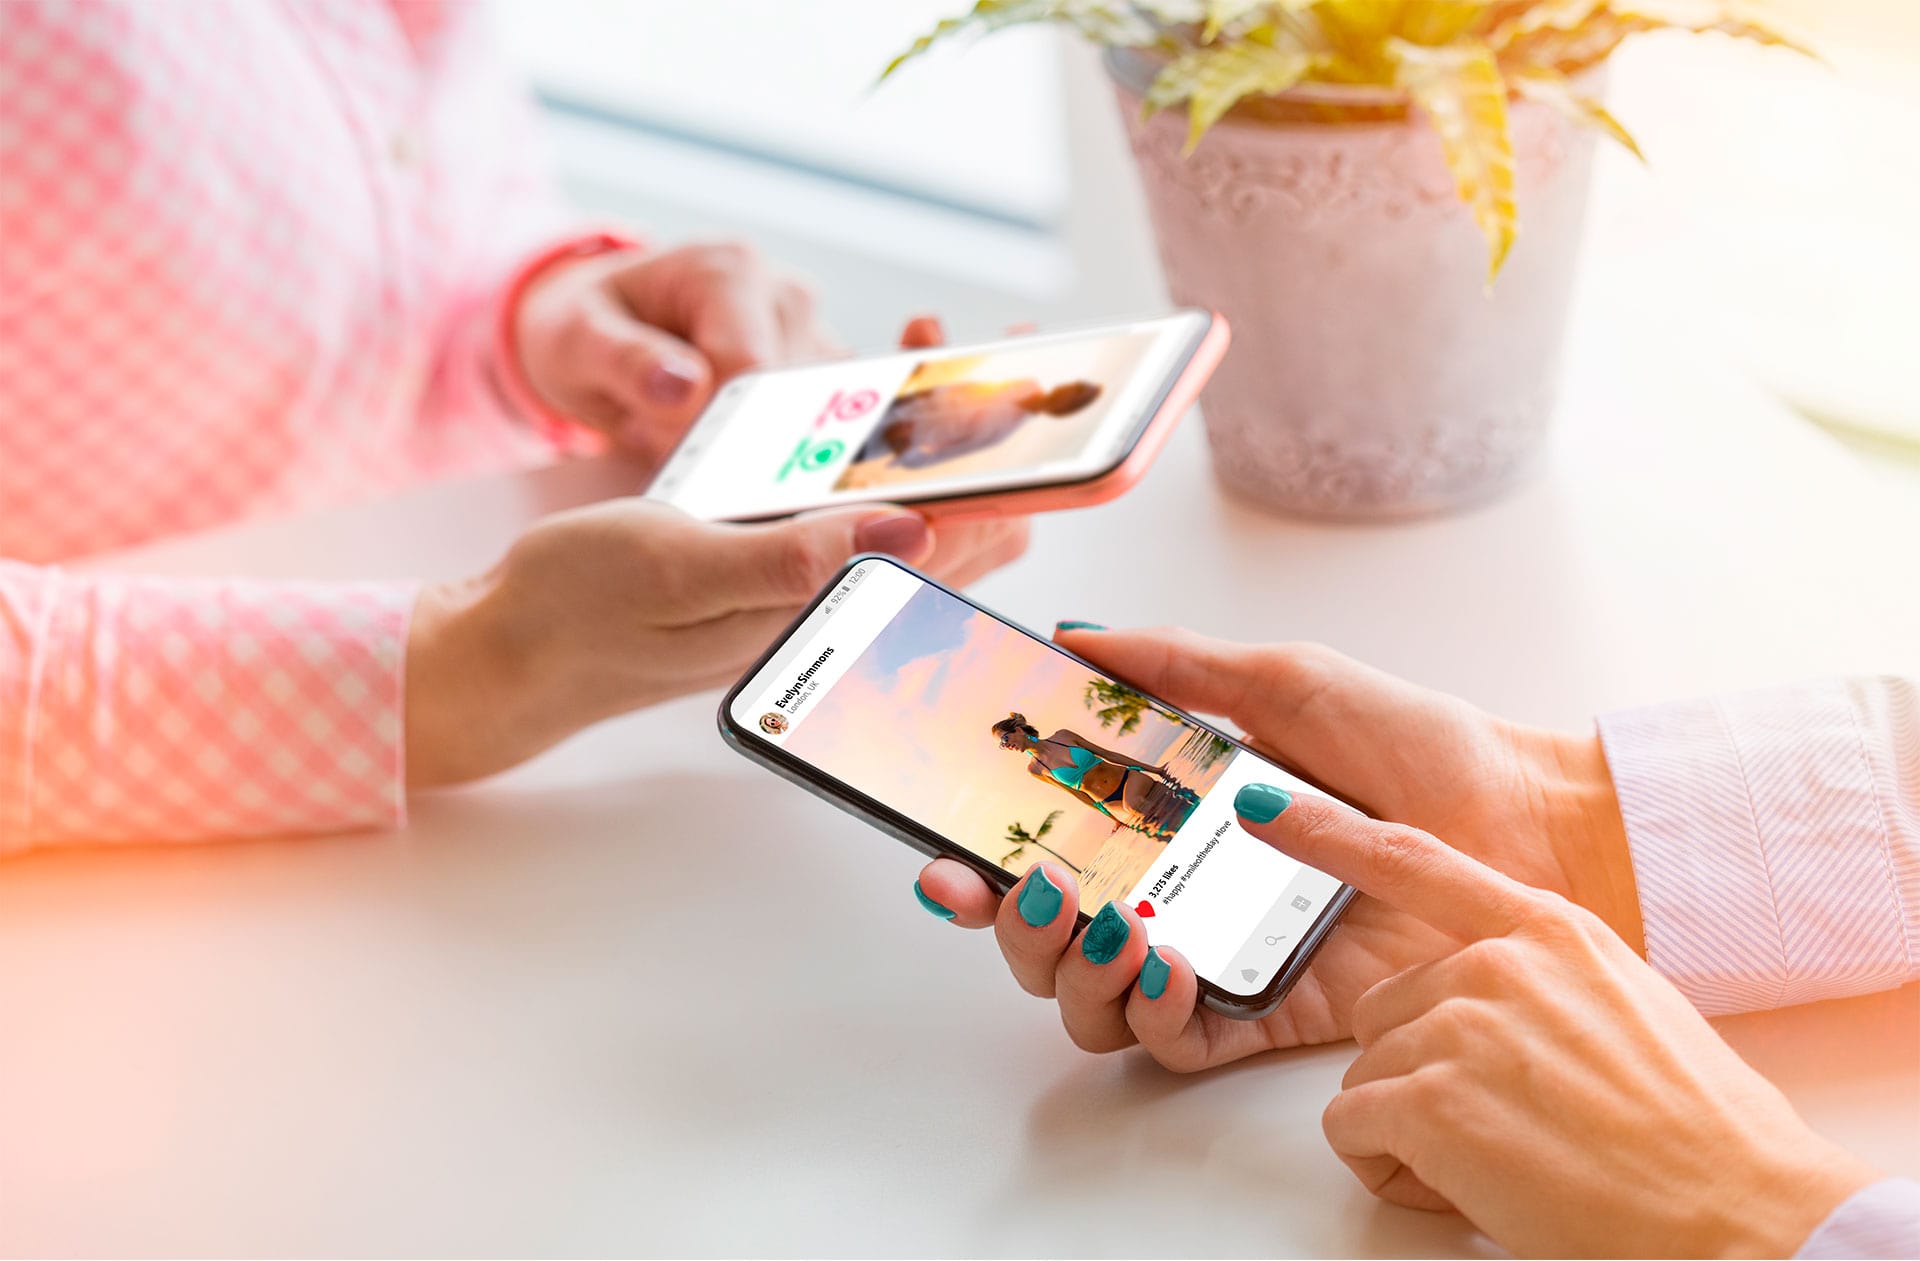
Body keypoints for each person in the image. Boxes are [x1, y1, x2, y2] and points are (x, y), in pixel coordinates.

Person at [0, 1, 1027, 853]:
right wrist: (453, 675)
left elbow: (409, 174)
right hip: (144, 909)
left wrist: (547, 317)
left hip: (524, 800)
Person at [917, 625, 1919, 1257]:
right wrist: (1572, 838)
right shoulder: (1054, 758)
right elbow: (1086, 776)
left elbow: (1098, 771)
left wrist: (1756, 1216)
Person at [991, 711, 1196, 837]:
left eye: (1005, 738)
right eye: (1002, 745)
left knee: (1136, 806)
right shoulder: (1035, 769)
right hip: (1110, 801)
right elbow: (1078, 795)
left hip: (1128, 779)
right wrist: (1112, 818)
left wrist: (1156, 769)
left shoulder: (1063, 736)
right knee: (1159, 826)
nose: (1006, 745)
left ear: (1018, 730)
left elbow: (1108, 754)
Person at [847, 377, 1103, 472]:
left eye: (1075, 397)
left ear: (1065, 411)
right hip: (891, 403)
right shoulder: (1024, 383)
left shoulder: (1000, 433)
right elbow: (966, 387)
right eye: (1076, 386)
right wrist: (930, 391)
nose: (1068, 391)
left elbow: (930, 459)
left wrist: (903, 446)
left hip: (881, 439)